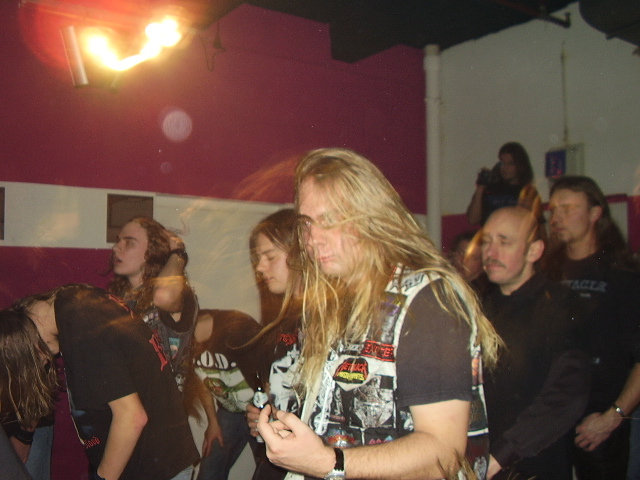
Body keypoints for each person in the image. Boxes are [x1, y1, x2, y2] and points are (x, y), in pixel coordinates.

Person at [257, 148, 502, 480]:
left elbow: (443, 455)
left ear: (371, 217)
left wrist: (329, 462)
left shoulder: (427, 299)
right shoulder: (335, 302)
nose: (313, 239)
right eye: (307, 224)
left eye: (330, 220)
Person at [3, 284, 199, 480]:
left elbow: (131, 417)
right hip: (149, 461)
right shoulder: (74, 302)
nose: (46, 360)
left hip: (152, 469)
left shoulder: (81, 323)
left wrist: (104, 477)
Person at [480, 206, 589, 479]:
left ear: (534, 251)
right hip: (480, 458)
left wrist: (502, 454)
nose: (491, 252)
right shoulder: (478, 305)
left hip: (533, 463)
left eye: (504, 242)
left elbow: (566, 394)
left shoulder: (562, 305)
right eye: (486, 241)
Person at [546, 175, 640, 480]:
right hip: (550, 418)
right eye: (554, 210)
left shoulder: (622, 275)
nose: (557, 217)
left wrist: (614, 416)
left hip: (599, 420)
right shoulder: (546, 273)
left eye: (568, 209)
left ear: (595, 213)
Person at [109, 216, 199, 393]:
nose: (116, 247)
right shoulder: (119, 298)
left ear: (153, 251)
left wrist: (178, 253)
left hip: (159, 407)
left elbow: (163, 296)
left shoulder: (179, 294)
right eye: (118, 240)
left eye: (129, 242)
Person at [246, 208, 303, 480]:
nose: (260, 267)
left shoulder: (325, 321)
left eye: (269, 257)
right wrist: (265, 412)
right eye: (258, 259)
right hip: (278, 461)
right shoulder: (282, 319)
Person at [190, 308, 264, 480]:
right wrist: (212, 422)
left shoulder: (238, 328)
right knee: (209, 473)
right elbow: (201, 379)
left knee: (270, 472)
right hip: (229, 411)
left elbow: (268, 372)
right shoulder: (185, 343)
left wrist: (268, 416)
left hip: (259, 412)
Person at [1, 302, 58, 480]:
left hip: (29, 421)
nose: (49, 354)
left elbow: (38, 394)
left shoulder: (23, 334)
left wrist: (24, 438)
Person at [466, 141, 538, 225]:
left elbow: (532, 222)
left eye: (510, 164)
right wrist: (481, 186)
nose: (505, 168)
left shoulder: (527, 192)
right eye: (502, 163)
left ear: (520, 166)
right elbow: (473, 219)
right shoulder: (490, 189)